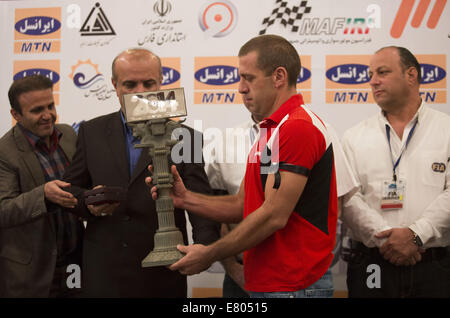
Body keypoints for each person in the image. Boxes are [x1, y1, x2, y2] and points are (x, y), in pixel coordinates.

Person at [147, 34, 338, 298]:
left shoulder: (298, 128)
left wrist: (210, 254)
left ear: (279, 77)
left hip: (294, 286)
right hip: (269, 283)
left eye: (248, 78)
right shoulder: (268, 131)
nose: (240, 88)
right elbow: (243, 206)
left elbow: (273, 215)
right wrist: (187, 199)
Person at [62, 48, 219, 297]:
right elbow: (70, 191)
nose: (139, 92)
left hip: (163, 276)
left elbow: (201, 203)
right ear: (114, 85)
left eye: (148, 83)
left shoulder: (185, 137)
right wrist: (89, 202)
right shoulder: (91, 132)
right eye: (129, 84)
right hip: (104, 273)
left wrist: (204, 249)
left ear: (161, 82)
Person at [341, 46, 450, 297]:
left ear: (411, 75)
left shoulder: (446, 129)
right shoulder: (354, 137)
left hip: (435, 265)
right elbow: (347, 197)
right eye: (371, 74)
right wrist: (387, 240)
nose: (372, 81)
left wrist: (416, 234)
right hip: (371, 263)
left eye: (382, 72)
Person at [206, 117, 357, 298]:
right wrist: (233, 269)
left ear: (279, 86)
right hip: (238, 276)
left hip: (296, 279)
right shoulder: (227, 139)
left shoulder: (319, 130)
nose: (242, 89)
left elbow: (334, 207)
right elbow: (221, 213)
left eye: (252, 85)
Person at [0, 75, 84, 297]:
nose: (48, 116)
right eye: (37, 110)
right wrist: (44, 194)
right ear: (15, 115)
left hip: (76, 263)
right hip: (33, 273)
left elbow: (81, 185)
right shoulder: (4, 153)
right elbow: (3, 209)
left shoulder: (69, 135)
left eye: (50, 106)